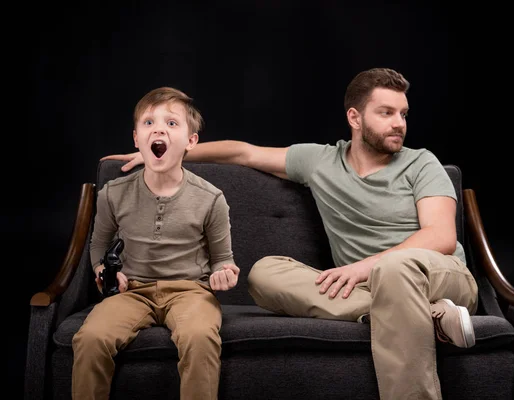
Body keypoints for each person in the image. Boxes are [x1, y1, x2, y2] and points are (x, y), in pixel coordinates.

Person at [102, 68, 479, 400]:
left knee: (395, 270)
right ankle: (426, 318)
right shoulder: (320, 161)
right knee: (265, 273)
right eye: (386, 112)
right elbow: (243, 154)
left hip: (437, 276)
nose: (399, 123)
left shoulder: (421, 162)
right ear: (355, 117)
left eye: (403, 114)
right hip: (366, 290)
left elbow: (441, 236)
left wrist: (364, 267)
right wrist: (170, 152)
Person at [73, 87, 240, 400]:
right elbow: (98, 245)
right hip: (131, 291)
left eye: (172, 123)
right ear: (137, 139)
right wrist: (102, 270)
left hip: (190, 291)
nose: (159, 128)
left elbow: (222, 259)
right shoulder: (113, 193)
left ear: (191, 141)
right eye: (149, 123)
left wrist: (224, 272)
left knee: (200, 336)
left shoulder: (211, 198)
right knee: (91, 337)